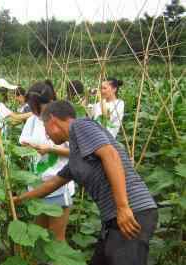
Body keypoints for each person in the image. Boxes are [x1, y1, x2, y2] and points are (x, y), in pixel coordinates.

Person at [14, 100, 158, 265]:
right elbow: (52, 184)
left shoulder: (80, 126)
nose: (47, 135)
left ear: (53, 121)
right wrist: (19, 199)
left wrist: (123, 207)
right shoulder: (76, 155)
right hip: (114, 219)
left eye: (45, 129)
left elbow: (110, 155)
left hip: (132, 212)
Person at [19, 80, 74, 241]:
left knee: (57, 240)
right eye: (32, 107)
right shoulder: (32, 120)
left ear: (49, 103)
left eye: (36, 107)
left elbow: (76, 152)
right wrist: (29, 146)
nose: (35, 112)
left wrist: (50, 149)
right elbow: (22, 142)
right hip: (36, 186)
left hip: (57, 187)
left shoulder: (61, 120)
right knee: (38, 238)